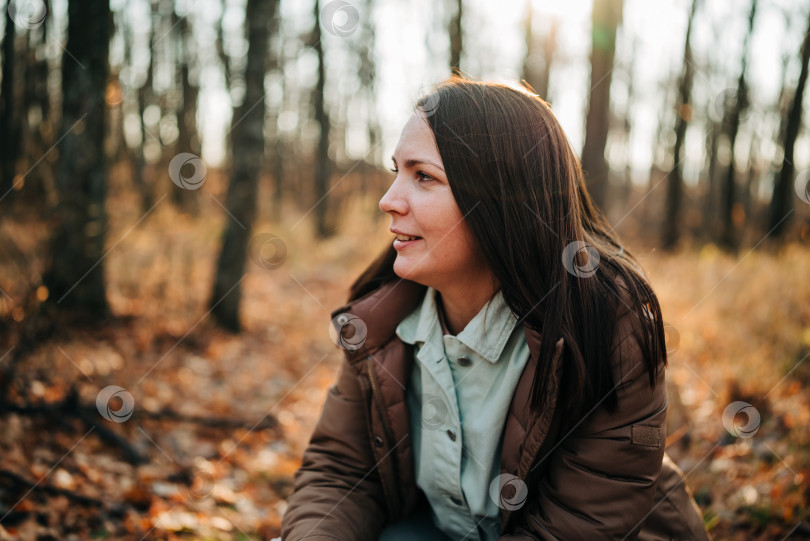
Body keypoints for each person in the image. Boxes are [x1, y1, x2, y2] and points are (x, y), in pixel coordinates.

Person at [280, 77, 711, 540]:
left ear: (501, 199)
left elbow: (575, 529)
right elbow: (341, 472)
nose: (388, 201)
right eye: (396, 172)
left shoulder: (603, 325)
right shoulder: (380, 320)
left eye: (423, 176)